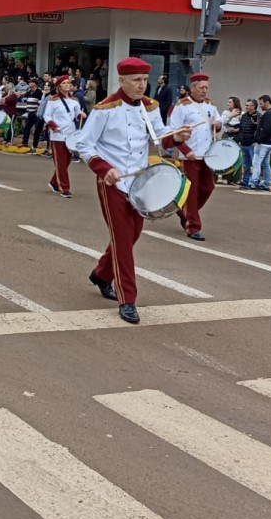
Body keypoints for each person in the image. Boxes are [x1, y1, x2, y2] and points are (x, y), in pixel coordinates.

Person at [76, 57, 193, 324]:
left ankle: (101, 274)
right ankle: (127, 298)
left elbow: (159, 135)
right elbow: (84, 144)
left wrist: (176, 137)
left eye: (144, 80)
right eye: (136, 81)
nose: (142, 86)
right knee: (122, 241)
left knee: (132, 235)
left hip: (140, 182)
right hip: (112, 182)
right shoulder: (105, 108)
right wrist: (103, 168)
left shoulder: (150, 107)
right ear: (122, 81)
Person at [165, 72, 223, 241]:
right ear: (192, 88)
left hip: (206, 154)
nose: (204, 91)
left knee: (208, 187)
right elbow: (173, 131)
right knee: (192, 190)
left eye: (206, 88)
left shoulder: (210, 105)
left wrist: (218, 124)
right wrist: (185, 149)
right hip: (189, 155)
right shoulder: (182, 106)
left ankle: (185, 212)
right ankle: (193, 226)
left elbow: (218, 124)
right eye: (201, 88)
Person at [44, 74, 82, 197]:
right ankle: (64, 188)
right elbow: (47, 115)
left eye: (68, 83)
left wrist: (81, 115)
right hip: (58, 135)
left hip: (70, 134)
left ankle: (55, 182)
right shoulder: (53, 100)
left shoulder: (74, 101)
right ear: (59, 87)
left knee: (66, 163)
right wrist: (53, 126)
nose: (67, 85)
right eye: (64, 83)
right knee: (60, 163)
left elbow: (77, 114)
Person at [249, 94, 271, 190]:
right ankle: (266, 183)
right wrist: (258, 123)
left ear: (267, 102)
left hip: (264, 143)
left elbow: (265, 129)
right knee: (266, 164)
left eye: (261, 103)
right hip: (270, 143)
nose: (260, 105)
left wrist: (258, 140)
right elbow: (266, 127)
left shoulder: (269, 114)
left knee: (257, 162)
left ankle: (253, 182)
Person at [237, 99, 259, 187]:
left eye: (247, 105)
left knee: (254, 164)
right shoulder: (244, 116)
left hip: (252, 144)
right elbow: (241, 128)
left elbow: (258, 130)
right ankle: (245, 180)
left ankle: (254, 180)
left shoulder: (257, 116)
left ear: (253, 107)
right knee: (246, 164)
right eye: (245, 105)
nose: (245, 107)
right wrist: (240, 139)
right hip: (243, 143)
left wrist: (256, 140)